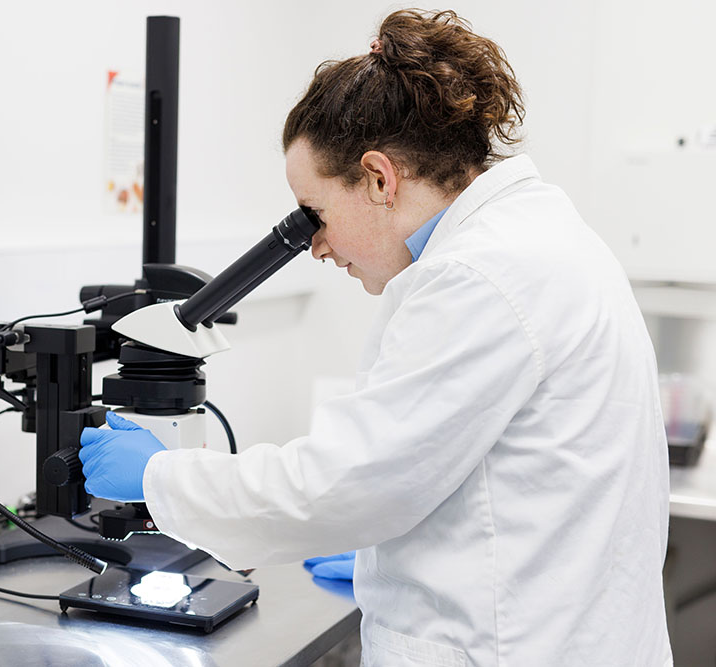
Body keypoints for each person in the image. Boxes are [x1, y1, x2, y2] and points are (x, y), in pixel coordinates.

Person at [80, 9, 672, 665]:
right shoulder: (537, 240)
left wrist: (160, 476)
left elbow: (346, 483)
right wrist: (387, 553)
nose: (314, 245)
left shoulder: (481, 277)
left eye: (315, 214)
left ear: (379, 177)